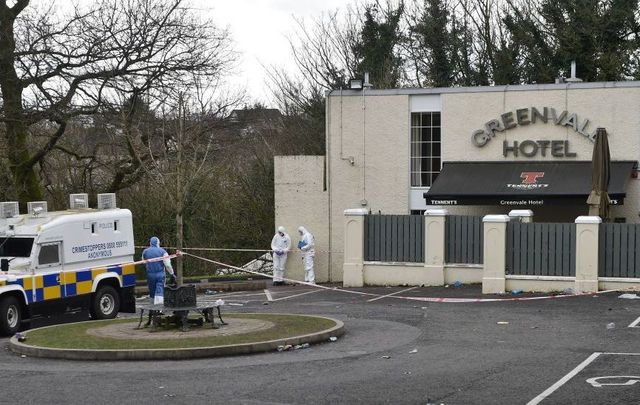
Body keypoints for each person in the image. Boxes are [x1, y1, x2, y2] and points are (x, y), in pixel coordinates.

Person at [142, 236, 176, 305]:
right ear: (158, 243)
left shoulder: (145, 251)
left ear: (150, 243)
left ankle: (152, 309)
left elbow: (143, 262)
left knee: (152, 291)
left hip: (150, 274)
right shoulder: (163, 251)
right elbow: (168, 265)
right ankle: (159, 310)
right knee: (160, 291)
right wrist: (172, 273)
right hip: (160, 274)